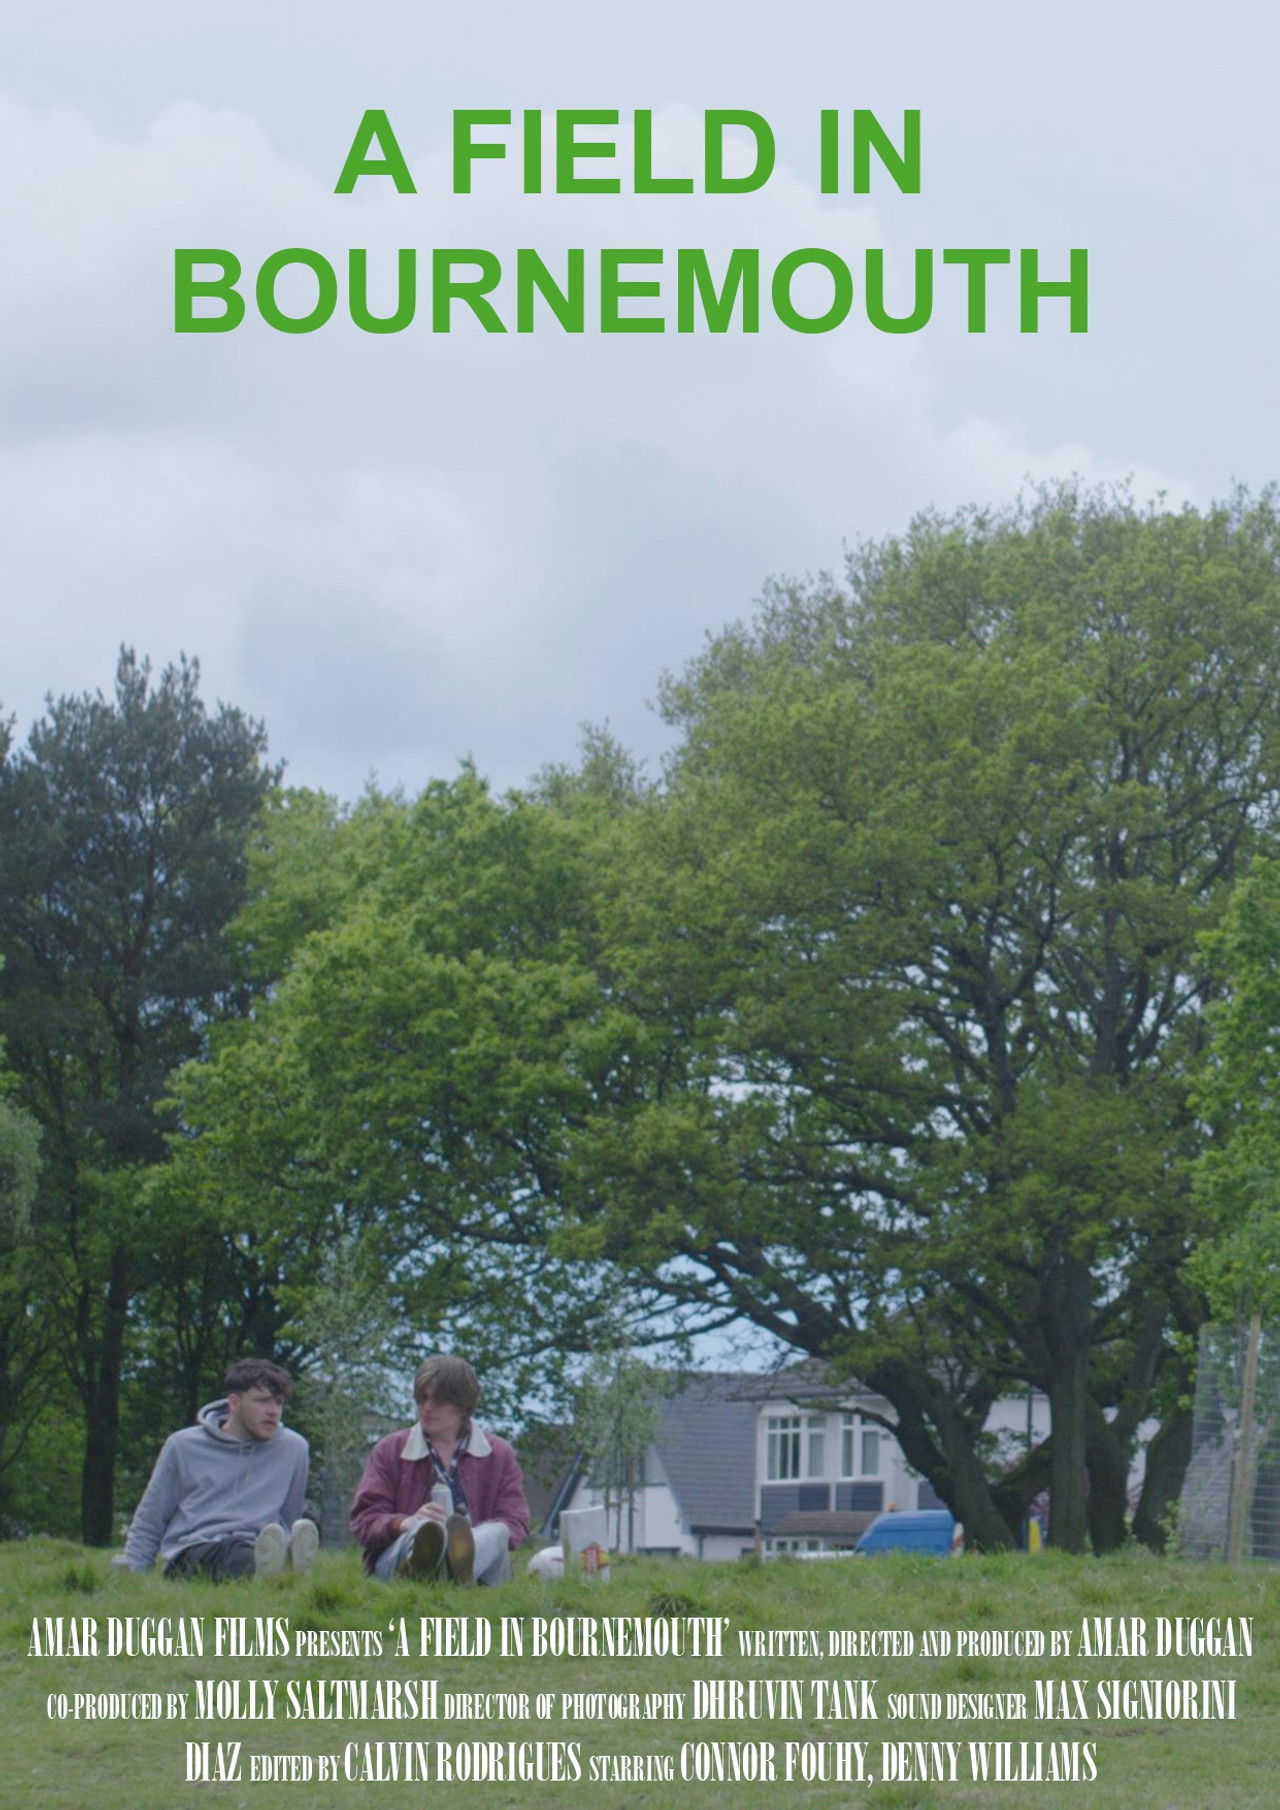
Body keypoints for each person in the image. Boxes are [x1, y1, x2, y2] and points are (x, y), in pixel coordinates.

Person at [116, 1357, 316, 1580]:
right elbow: (152, 1516)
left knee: (254, 1549)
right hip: (194, 1550)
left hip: (259, 1543)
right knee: (234, 1551)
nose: (273, 1411)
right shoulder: (183, 1445)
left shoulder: (293, 1448)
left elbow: (290, 1515)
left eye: (278, 1403)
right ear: (234, 1403)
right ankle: (274, 1572)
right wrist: (134, 1571)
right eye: (262, 1401)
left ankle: (277, 1568)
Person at [350, 1354, 528, 1584]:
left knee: (497, 1532)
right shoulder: (390, 1449)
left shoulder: (499, 1454)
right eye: (422, 1399)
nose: (427, 1408)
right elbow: (364, 1520)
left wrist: (470, 1538)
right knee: (425, 1530)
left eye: (439, 1401)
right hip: (401, 1558)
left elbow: (516, 1523)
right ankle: (443, 1570)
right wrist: (404, 1522)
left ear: (463, 1406)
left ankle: (456, 1566)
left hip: (482, 1562)